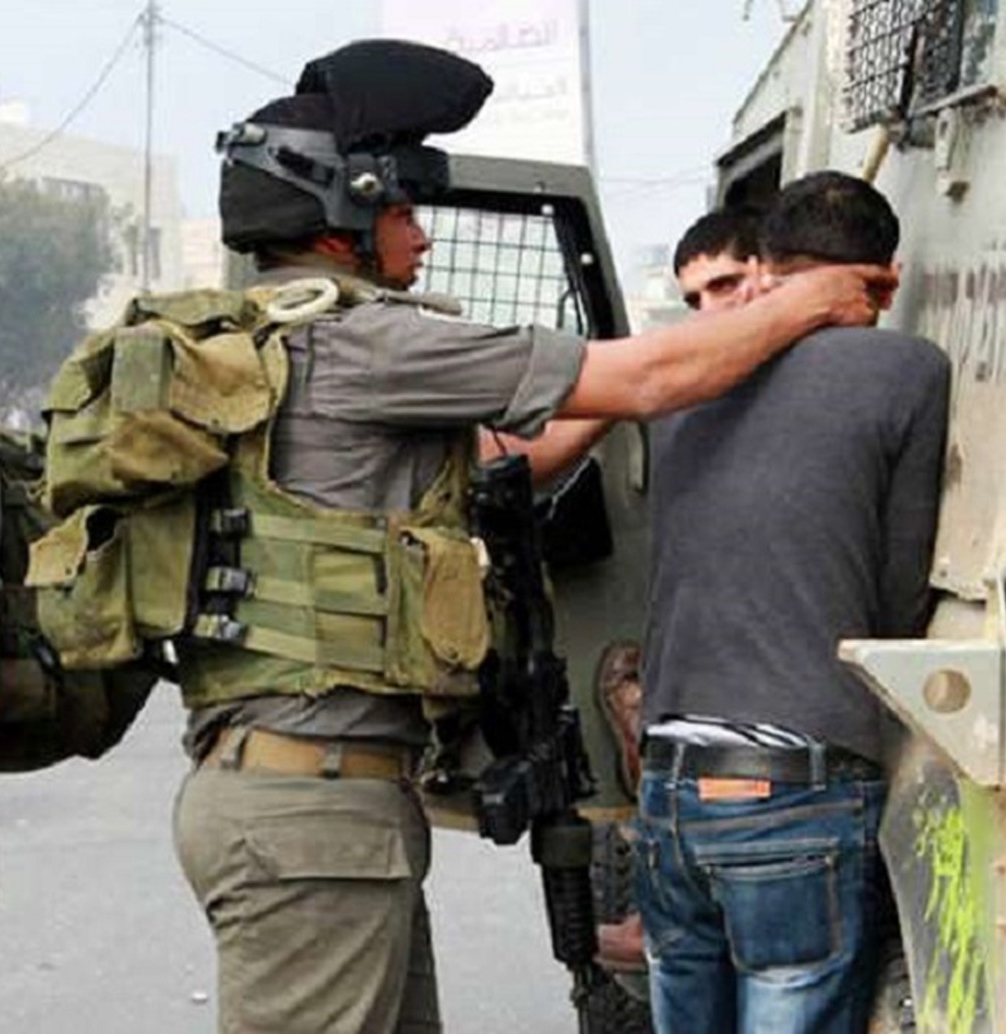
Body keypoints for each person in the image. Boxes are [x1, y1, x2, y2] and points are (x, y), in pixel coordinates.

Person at [168, 40, 895, 1034]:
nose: (422, 238)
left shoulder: (265, 345)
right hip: (310, 807)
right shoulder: (366, 340)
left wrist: (590, 410)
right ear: (343, 216)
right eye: (402, 209)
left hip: (299, 796)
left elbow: (491, 462)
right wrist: (810, 297)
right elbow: (646, 377)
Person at [633, 173, 951, 1032]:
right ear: (884, 279)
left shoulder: (685, 378)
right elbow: (895, 599)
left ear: (767, 268)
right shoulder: (908, 369)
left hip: (668, 783)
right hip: (793, 787)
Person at [595, 205, 763, 975]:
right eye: (694, 299)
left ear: (772, 273)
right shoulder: (691, 391)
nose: (710, 312)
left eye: (726, 285)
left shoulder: (837, 376)